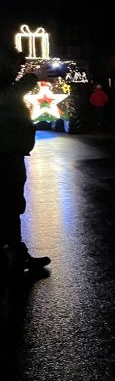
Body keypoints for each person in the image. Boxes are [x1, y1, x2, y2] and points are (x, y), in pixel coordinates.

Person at [0, 47, 51, 277]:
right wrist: (33, 77)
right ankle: (16, 256)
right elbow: (7, 98)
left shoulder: (7, 85)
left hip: (11, 153)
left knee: (11, 204)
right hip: (5, 155)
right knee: (9, 203)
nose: (17, 69)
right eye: (15, 64)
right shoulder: (6, 88)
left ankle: (15, 253)